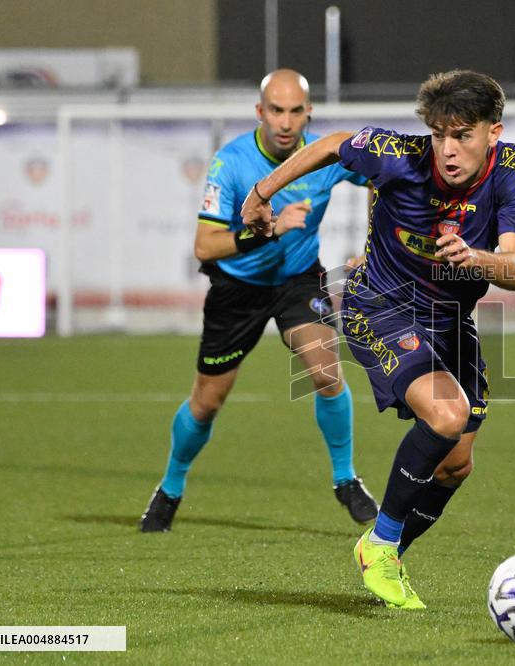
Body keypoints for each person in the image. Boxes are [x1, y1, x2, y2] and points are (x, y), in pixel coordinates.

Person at [241, 70, 515, 609]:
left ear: (493, 133)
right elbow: (331, 146)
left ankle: (385, 549)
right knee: (445, 416)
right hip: (380, 306)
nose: (448, 150)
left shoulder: (513, 172)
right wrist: (261, 192)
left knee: (455, 463)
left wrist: (481, 259)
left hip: (450, 320)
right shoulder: (397, 153)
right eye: (441, 134)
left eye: (464, 135)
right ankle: (379, 546)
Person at [139, 69, 378, 533]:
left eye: (295, 111)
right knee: (207, 403)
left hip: (297, 279)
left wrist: (375, 244)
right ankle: (170, 487)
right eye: (276, 110)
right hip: (237, 290)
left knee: (326, 369)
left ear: (309, 112)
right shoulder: (230, 164)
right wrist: (263, 230)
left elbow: (380, 176)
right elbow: (205, 247)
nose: (285, 122)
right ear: (259, 112)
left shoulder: (325, 155)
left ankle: (346, 479)